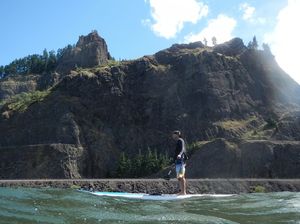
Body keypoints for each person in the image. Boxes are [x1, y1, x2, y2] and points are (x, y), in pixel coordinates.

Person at [172, 130, 187, 195]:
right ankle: (181, 191)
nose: (172, 136)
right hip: (177, 161)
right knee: (179, 177)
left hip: (181, 161)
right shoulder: (178, 141)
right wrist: (174, 161)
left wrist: (180, 154)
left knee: (181, 176)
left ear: (177, 134)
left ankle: (183, 192)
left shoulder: (180, 140)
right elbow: (176, 153)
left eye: (174, 134)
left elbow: (182, 149)